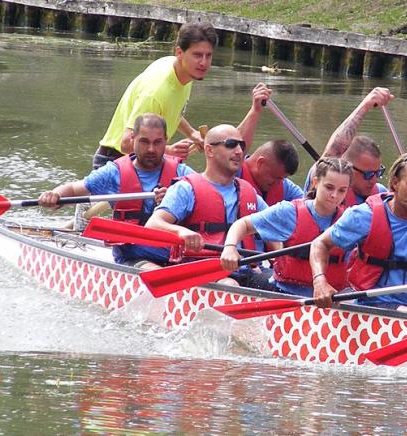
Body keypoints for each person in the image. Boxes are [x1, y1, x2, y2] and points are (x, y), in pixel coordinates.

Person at [39, 113, 195, 269]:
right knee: (155, 272)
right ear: (133, 138)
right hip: (135, 256)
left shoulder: (183, 173)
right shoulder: (114, 173)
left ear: (166, 140)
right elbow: (74, 189)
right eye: (144, 142)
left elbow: (208, 195)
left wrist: (174, 200)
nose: (151, 149)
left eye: (158, 142)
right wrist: (55, 195)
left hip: (177, 256)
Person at [309, 152, 407, 315]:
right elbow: (320, 244)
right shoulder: (365, 215)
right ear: (395, 183)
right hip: (373, 306)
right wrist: (319, 281)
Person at [145, 124, 272, 286]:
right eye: (231, 145)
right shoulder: (185, 188)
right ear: (210, 150)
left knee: (281, 284)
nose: (239, 151)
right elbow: (152, 224)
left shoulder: (249, 192)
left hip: (244, 268)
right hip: (204, 270)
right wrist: (181, 232)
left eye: (242, 145)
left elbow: (274, 224)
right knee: (230, 285)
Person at [220, 158, 353, 296]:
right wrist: (230, 247)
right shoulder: (289, 212)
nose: (334, 195)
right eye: (329, 187)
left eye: (342, 190)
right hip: (286, 292)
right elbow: (243, 224)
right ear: (315, 182)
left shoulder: (351, 219)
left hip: (333, 297)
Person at [95, 22, 218, 169]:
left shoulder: (184, 72)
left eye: (208, 55)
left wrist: (192, 134)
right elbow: (127, 143)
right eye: (197, 55)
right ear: (179, 53)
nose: (204, 63)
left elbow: (169, 110)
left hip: (142, 162)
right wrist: (168, 151)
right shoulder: (155, 92)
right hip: (116, 163)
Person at [305, 87, 394, 206]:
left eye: (377, 173)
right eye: (368, 175)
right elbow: (334, 151)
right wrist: (365, 105)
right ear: (349, 170)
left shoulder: (381, 193)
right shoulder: (324, 183)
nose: (373, 180)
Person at [238, 140, 304, 206]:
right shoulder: (233, 175)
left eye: (283, 178)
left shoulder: (285, 187)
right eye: (276, 177)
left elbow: (307, 204)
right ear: (260, 163)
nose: (278, 183)